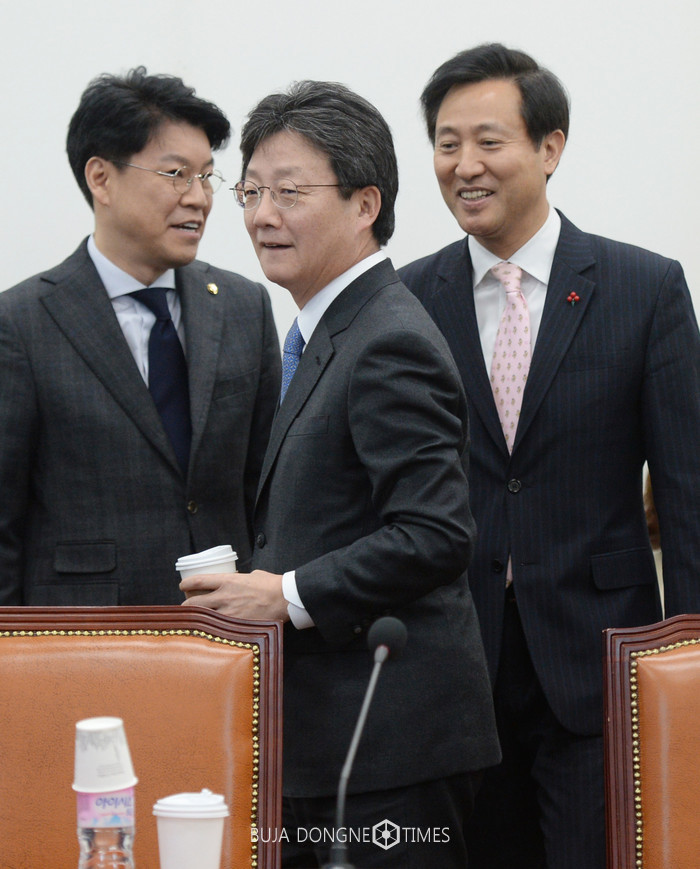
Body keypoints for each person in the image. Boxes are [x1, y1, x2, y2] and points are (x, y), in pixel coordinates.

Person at [180, 79, 500, 868]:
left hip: (391, 748)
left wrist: (284, 593)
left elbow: (435, 532)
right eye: (252, 191)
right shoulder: (325, 332)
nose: (262, 215)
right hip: (329, 739)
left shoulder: (388, 338)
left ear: (365, 204)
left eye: (289, 192)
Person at [398, 42, 700, 869]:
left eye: (488, 141)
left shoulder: (644, 289)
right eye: (447, 143)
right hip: (457, 667)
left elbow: (687, 494)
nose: (464, 165)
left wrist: (689, 660)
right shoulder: (408, 300)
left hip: (600, 661)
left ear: (549, 147)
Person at [0, 67, 281, 606]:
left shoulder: (244, 306)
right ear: (101, 179)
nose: (199, 198)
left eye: (207, 177)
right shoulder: (21, 323)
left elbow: (267, 492)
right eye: (176, 174)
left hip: (224, 626)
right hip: (86, 633)